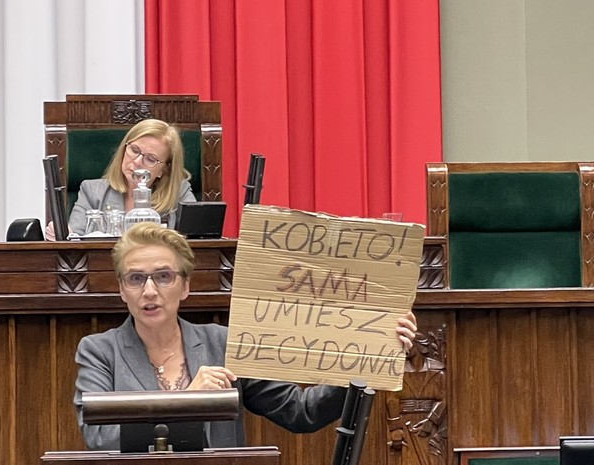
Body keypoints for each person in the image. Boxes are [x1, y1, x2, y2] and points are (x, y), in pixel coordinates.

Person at [73, 222, 419, 450]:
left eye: (164, 276)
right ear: (122, 290)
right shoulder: (99, 351)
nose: (150, 291)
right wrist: (189, 399)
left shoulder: (221, 344)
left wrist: (371, 353)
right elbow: (100, 437)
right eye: (136, 278)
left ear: (185, 286)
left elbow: (301, 412)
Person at [45, 119, 195, 239]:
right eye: (134, 150)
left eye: (150, 159)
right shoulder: (92, 191)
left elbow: (197, 242)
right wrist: (64, 234)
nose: (137, 161)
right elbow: (74, 241)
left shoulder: (179, 193)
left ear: (164, 170)